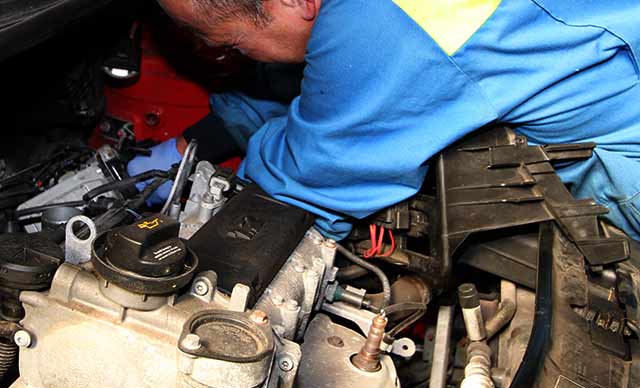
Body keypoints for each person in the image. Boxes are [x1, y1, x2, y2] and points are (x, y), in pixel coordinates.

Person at [129, 0, 640, 241]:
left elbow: (306, 182)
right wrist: (187, 149)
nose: (249, 58)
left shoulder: (387, 21)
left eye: (235, 44)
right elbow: (326, 83)